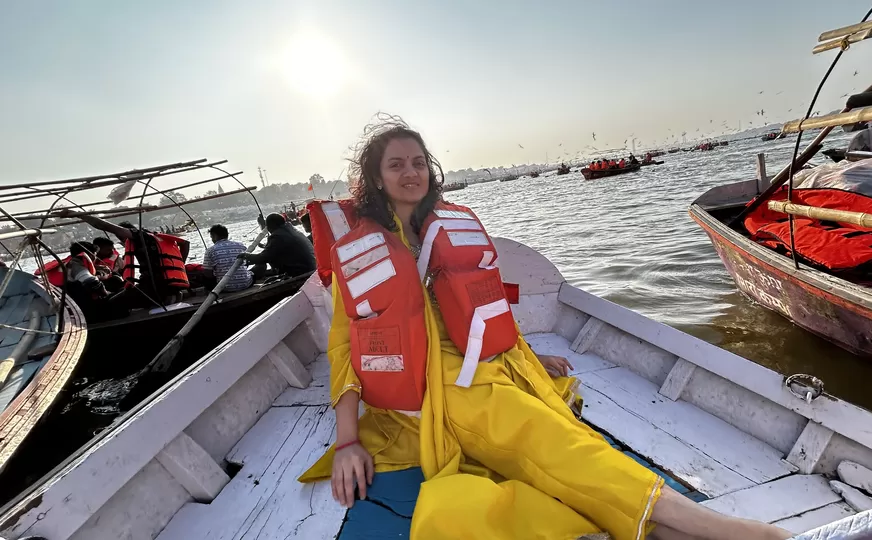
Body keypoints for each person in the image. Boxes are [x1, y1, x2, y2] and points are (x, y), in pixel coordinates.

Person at [298, 118, 790, 540]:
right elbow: (344, 345)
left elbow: (481, 312)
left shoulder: (445, 228)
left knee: (557, 437)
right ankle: (732, 530)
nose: (411, 173)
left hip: (489, 366)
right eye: (397, 164)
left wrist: (528, 358)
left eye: (419, 162)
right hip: (437, 390)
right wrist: (347, 441)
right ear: (377, 178)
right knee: (547, 439)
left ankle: (663, 526)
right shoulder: (360, 254)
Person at [57, 211, 191, 305]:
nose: (122, 243)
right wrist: (180, 266)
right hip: (170, 286)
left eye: (122, 239)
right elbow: (185, 243)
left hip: (154, 290)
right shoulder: (153, 237)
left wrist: (77, 214)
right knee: (120, 289)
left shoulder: (138, 237)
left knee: (111, 303)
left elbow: (103, 226)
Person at [237, 213, 317, 277]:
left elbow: (263, 258)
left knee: (261, 267)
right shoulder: (293, 230)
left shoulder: (278, 236)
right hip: (311, 268)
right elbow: (276, 249)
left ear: (271, 226)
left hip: (300, 272)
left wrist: (245, 255)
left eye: (267, 227)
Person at [202, 224, 253, 292]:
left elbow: (207, 274)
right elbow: (246, 264)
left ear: (214, 236)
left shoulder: (210, 250)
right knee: (255, 271)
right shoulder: (241, 245)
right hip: (246, 284)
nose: (212, 240)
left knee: (204, 277)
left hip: (223, 288)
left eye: (211, 237)